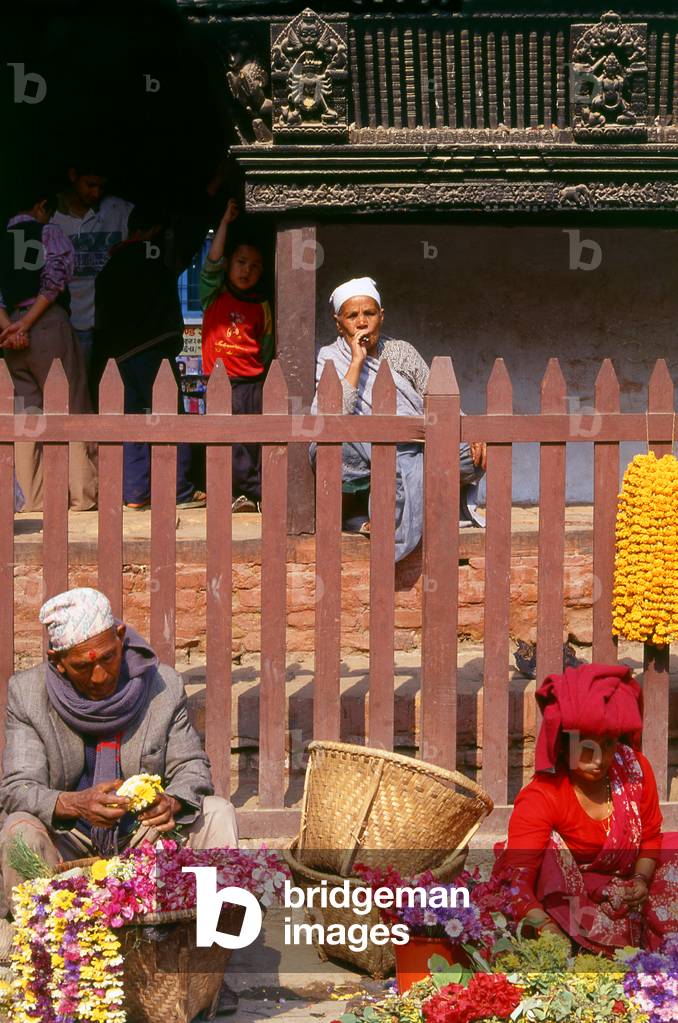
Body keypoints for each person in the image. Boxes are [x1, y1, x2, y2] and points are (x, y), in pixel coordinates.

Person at [492, 662, 678, 953]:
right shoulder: (542, 796)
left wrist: (641, 879)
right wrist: (546, 928)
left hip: (628, 891)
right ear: (563, 745)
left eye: (608, 744)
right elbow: (516, 882)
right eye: (586, 747)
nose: (598, 759)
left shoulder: (634, 769)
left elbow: (651, 837)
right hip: (572, 903)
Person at [311, 277, 487, 562]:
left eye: (369, 313)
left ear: (381, 316)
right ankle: (386, 509)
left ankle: (381, 511)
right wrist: (357, 362)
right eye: (352, 316)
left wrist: (469, 431)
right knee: (329, 452)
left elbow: (437, 399)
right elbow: (332, 417)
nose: (361, 323)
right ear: (338, 322)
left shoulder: (401, 352)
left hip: (415, 448)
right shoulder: (329, 358)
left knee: (472, 455)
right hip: (364, 454)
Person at [92, 205, 205, 510]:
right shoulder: (157, 256)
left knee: (132, 420)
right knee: (170, 418)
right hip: (153, 349)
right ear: (154, 230)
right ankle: (179, 490)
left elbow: (101, 312)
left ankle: (135, 494)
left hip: (120, 356)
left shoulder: (111, 266)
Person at [0, 186, 97, 511]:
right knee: (71, 407)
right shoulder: (48, 232)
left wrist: (10, 329)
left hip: (11, 333)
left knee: (27, 417)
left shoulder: (2, 238)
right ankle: (82, 497)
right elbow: (55, 279)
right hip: (45, 325)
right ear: (41, 206)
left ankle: (32, 500)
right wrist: (27, 324)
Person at [200, 199, 274, 513]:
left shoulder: (261, 305)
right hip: (220, 382)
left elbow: (267, 347)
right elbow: (211, 261)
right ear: (230, 264)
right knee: (226, 441)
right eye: (241, 262)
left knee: (252, 440)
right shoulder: (213, 294)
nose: (247, 270)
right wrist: (225, 222)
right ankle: (239, 492)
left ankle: (254, 494)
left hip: (252, 382)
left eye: (255, 266)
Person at [51, 161, 133, 372]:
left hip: (110, 326)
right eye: (90, 184)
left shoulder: (118, 211)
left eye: (101, 187)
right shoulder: (51, 217)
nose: (96, 193)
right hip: (67, 324)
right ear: (72, 175)